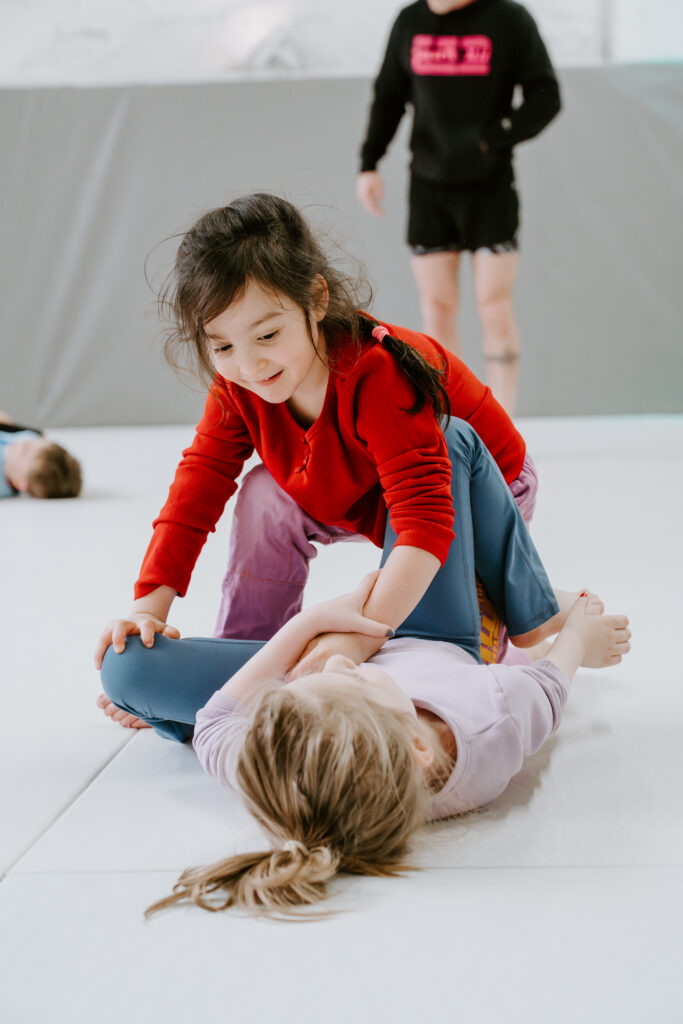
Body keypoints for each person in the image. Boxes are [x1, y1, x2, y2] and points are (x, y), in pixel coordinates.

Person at [97, 418, 631, 916]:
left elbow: (217, 722)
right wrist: (579, 642)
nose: (338, 665)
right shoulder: (489, 726)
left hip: (349, 634)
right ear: (419, 747)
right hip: (432, 636)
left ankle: (176, 713)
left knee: (126, 671)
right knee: (445, 436)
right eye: (348, 678)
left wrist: (314, 626)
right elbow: (550, 686)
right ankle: (524, 608)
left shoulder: (269, 767)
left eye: (290, 692)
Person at [93, 192, 549, 690]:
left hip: (472, 492)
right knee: (265, 493)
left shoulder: (377, 373)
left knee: (437, 654)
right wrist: (147, 606)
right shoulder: (239, 385)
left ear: (317, 300)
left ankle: (502, 609)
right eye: (222, 346)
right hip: (359, 480)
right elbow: (197, 484)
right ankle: (250, 653)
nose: (249, 365)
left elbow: (424, 522)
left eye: (267, 336)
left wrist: (355, 639)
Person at [357, 0, 562, 415]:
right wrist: (369, 163)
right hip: (429, 186)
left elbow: (545, 95)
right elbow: (389, 95)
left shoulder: (508, 19)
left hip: (490, 185)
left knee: (493, 303)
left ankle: (503, 419)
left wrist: (496, 137)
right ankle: (454, 416)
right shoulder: (410, 21)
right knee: (436, 306)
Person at [0, 410, 82, 499]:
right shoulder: (31, 441)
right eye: (33, 443)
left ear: (21, 483)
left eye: (25, 451)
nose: (25, 443)